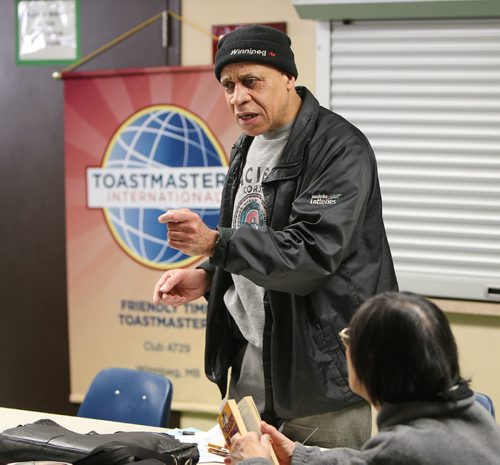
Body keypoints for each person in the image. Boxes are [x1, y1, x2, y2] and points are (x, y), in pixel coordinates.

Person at [152, 24, 398, 448]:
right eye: (228, 85)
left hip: (319, 374)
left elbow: (310, 256)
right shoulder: (248, 144)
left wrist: (215, 244)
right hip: (251, 358)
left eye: (251, 82)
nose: (237, 97)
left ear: (288, 78)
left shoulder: (339, 148)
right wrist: (211, 274)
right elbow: (255, 232)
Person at [225, 291, 500, 465]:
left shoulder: (406, 446)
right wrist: (299, 455)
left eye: (348, 337)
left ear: (375, 365)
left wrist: (254, 462)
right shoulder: (475, 418)